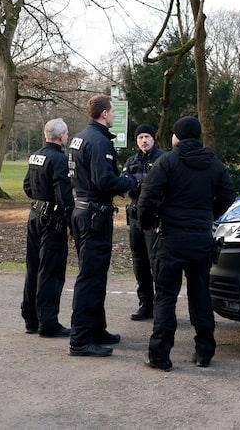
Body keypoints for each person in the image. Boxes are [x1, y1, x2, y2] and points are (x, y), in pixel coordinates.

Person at [137, 115, 237, 371]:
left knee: (165, 296)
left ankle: (160, 355)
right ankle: (204, 351)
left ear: (177, 137)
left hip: (171, 237)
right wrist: (209, 215)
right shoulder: (214, 164)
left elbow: (147, 198)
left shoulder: (167, 162)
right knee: (200, 294)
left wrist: (149, 223)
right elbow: (228, 195)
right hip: (201, 238)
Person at [67, 94, 138, 358]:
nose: (115, 116)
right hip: (94, 214)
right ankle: (81, 340)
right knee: (90, 277)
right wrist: (129, 182)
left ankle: (96, 329)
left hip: (83, 209)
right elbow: (104, 181)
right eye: (113, 112)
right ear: (104, 113)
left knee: (95, 275)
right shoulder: (99, 141)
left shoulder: (81, 137)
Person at [20, 118, 73, 338]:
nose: (67, 137)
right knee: (50, 270)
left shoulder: (36, 156)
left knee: (33, 267)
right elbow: (63, 195)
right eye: (66, 133)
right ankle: (48, 322)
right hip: (53, 219)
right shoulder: (59, 158)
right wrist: (71, 222)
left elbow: (27, 187)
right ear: (61, 136)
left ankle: (31, 318)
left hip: (35, 215)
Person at [122, 123, 164, 321]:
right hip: (135, 218)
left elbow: (160, 186)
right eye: (140, 137)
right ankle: (145, 304)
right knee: (139, 263)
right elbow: (123, 184)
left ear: (153, 138)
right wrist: (141, 182)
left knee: (157, 262)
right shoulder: (131, 161)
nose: (144, 140)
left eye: (147, 136)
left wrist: (137, 182)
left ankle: (162, 306)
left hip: (155, 219)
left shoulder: (163, 159)